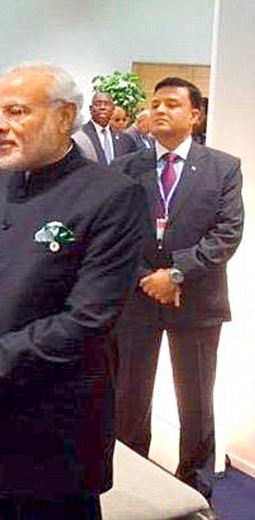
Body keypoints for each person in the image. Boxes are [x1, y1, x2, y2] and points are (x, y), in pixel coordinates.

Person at [0, 63, 146, 520]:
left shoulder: (112, 196)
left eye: (16, 111)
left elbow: (85, 321)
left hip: (53, 439)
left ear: (64, 117)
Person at [113, 77, 244, 501]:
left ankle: (195, 486)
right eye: (155, 104)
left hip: (197, 302)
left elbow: (227, 233)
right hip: (138, 301)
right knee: (130, 398)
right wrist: (146, 279)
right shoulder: (125, 168)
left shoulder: (223, 167)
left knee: (196, 401)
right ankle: (132, 483)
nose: (160, 111)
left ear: (195, 115)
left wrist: (176, 274)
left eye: (172, 104)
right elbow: (114, 236)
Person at [73, 92, 135, 165]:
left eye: (107, 104)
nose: (102, 107)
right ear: (90, 109)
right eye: (98, 104)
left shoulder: (125, 139)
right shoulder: (79, 135)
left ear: (113, 109)